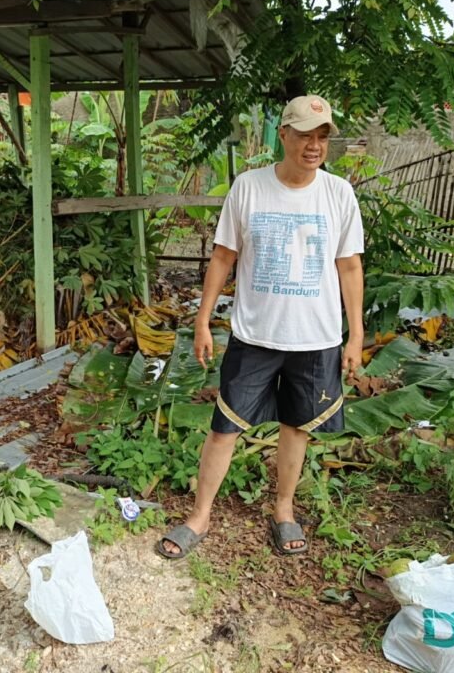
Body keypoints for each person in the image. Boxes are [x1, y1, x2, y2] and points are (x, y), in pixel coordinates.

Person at [157, 95, 365, 559]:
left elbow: (349, 267)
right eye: (306, 135)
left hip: (316, 339)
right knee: (224, 428)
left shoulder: (339, 195)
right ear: (284, 135)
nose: (314, 146)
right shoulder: (249, 187)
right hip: (253, 335)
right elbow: (223, 257)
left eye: (323, 137)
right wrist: (202, 320)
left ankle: (284, 510)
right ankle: (200, 515)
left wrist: (356, 335)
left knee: (297, 427)